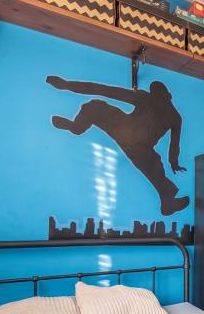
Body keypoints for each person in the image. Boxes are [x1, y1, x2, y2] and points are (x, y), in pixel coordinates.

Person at [47, 76, 189, 215]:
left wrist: (174, 162)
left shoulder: (174, 116)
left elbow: (174, 143)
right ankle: (75, 127)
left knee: (155, 167)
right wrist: (67, 85)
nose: (156, 104)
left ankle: (168, 203)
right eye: (154, 99)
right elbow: (107, 90)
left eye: (159, 100)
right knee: (95, 106)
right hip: (124, 128)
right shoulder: (146, 99)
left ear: (167, 97)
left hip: (139, 145)